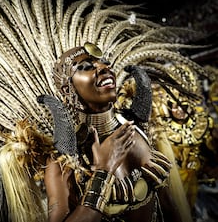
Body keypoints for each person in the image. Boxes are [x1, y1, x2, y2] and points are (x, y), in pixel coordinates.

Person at [43, 43, 185, 222]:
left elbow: (166, 202)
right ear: (67, 89)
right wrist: (104, 171)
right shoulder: (64, 161)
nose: (103, 67)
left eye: (104, 62)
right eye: (85, 67)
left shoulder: (134, 130)